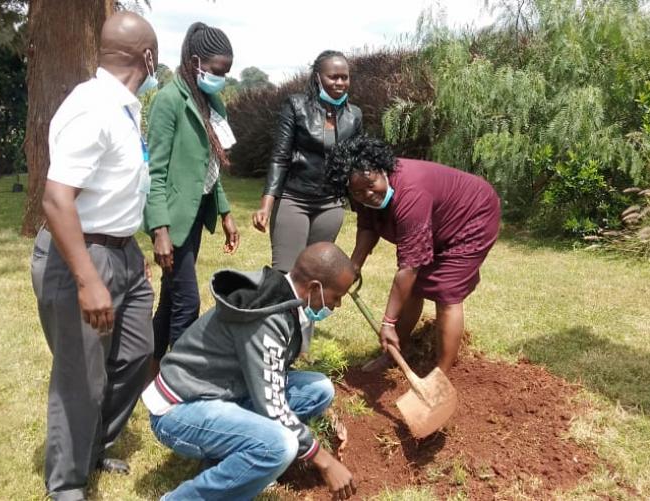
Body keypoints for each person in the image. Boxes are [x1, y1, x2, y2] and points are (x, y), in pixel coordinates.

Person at [30, 12, 158, 501]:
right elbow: (56, 199)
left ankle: (93, 442)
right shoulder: (93, 107)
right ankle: (66, 484)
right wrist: (88, 279)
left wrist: (131, 251)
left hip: (122, 252)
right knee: (79, 375)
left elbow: (116, 188)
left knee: (136, 353)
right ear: (147, 56)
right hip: (80, 256)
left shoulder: (126, 106)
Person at [142, 242, 357, 501]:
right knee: (279, 447)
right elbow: (273, 408)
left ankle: (229, 462)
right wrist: (324, 460)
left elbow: (272, 379)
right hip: (179, 408)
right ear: (314, 287)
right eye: (336, 297)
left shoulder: (282, 295)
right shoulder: (268, 317)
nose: (338, 305)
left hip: (220, 391)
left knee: (318, 390)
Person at [325, 135, 501, 375]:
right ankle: (395, 354)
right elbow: (368, 226)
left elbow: (409, 268)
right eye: (357, 192)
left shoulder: (411, 193)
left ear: (381, 170)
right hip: (437, 218)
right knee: (413, 288)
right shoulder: (360, 189)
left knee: (446, 291)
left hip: (472, 216)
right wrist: (353, 267)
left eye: (371, 184)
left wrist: (387, 322)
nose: (367, 194)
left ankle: (441, 374)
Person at [144, 22, 240, 367]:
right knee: (187, 301)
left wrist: (225, 213)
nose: (222, 78)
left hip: (196, 212)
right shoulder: (169, 102)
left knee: (171, 298)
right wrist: (160, 230)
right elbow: (154, 173)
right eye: (218, 70)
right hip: (173, 219)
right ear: (196, 61)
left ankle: (152, 368)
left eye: (227, 72)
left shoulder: (210, 101)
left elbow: (209, 165)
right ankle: (179, 380)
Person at [252, 50, 362, 272]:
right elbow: (280, 158)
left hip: (330, 204)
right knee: (286, 272)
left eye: (345, 77)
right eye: (334, 77)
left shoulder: (355, 116)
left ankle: (310, 309)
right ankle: (282, 308)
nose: (340, 82)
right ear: (318, 77)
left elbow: (356, 163)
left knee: (316, 273)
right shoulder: (296, 106)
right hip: (294, 199)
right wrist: (266, 204)